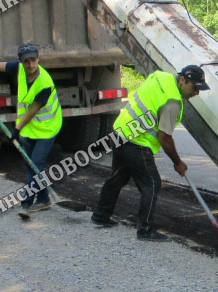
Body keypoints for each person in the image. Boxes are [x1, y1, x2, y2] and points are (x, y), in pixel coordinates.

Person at [90, 65, 210, 241]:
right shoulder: (172, 103)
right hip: (137, 142)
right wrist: (178, 162)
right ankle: (145, 230)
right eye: (194, 87)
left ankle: (100, 216)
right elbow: (165, 138)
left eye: (199, 89)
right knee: (152, 184)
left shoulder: (161, 76)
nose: (196, 93)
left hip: (120, 132)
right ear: (183, 80)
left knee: (117, 178)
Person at [0, 43, 62, 217]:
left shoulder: (44, 82)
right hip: (29, 128)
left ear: (38, 59)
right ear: (20, 61)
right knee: (31, 165)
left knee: (35, 164)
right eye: (26, 61)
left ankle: (26, 204)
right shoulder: (19, 69)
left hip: (47, 127)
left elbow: (33, 110)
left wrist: (16, 129)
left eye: (33, 60)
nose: (30, 65)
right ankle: (44, 199)